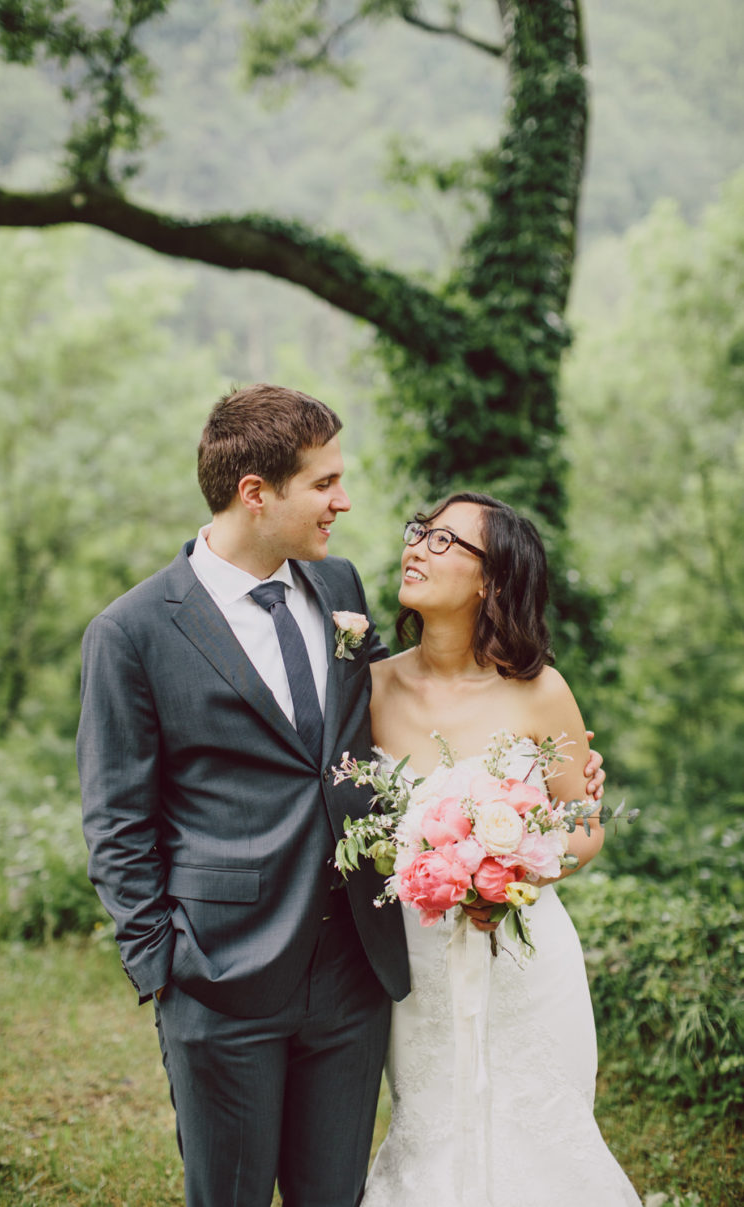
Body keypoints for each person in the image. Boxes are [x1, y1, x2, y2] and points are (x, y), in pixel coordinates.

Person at [78, 387, 605, 1207]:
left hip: (357, 976)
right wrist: (165, 967)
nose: (344, 500)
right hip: (221, 975)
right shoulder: (133, 630)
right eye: (324, 483)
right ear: (257, 492)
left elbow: (401, 733)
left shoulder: (340, 590)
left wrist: (538, 804)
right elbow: (115, 820)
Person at [361, 492, 641, 1207]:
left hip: (525, 957)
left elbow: (585, 823)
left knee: (541, 1135)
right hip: (417, 965)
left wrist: (512, 868)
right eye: (419, 531)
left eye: (446, 541)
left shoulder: (541, 691)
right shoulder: (368, 689)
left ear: (492, 580)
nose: (417, 546)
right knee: (434, 1131)